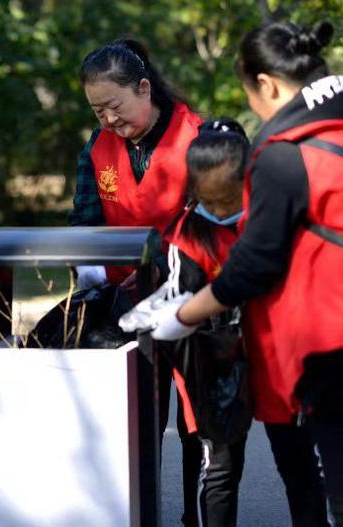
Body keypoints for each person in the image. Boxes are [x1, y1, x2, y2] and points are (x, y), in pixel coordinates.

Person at [151, 20, 343, 526]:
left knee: (318, 477)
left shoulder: (284, 155)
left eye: (251, 97)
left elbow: (253, 265)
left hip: (322, 351)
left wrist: (182, 314)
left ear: (267, 84)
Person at [70, 39, 205, 526]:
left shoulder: (198, 138)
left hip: (192, 304)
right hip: (127, 307)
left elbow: (221, 226)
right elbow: (84, 220)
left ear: (145, 88)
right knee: (136, 422)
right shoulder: (98, 147)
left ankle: (198, 515)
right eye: (97, 109)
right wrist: (88, 273)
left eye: (114, 105)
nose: (107, 119)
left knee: (197, 426)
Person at [160, 118, 251, 527]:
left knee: (293, 453)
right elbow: (181, 311)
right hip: (211, 362)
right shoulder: (187, 231)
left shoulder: (264, 217)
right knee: (218, 462)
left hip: (268, 353)